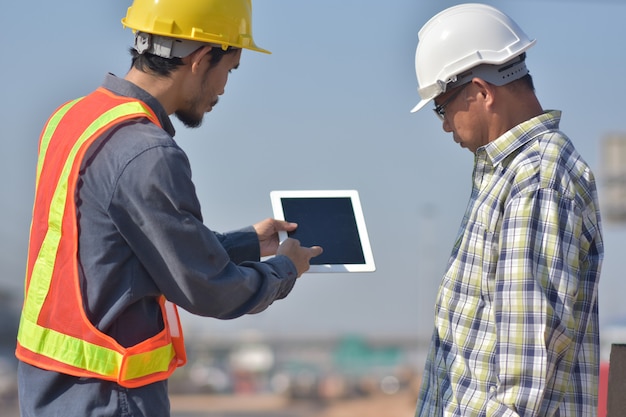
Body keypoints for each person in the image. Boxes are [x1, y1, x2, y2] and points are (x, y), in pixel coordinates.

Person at [15, 0, 322, 416]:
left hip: (50, 389)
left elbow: (127, 251)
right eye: (229, 70)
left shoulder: (72, 119)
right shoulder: (148, 152)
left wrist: (250, 242)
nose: (224, 89)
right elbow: (210, 288)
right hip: (111, 395)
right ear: (200, 59)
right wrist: (286, 270)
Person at [410, 4, 603, 416]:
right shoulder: (510, 175)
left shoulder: (536, 180)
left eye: (442, 108)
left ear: (481, 91)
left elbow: (523, 374)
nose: (445, 125)